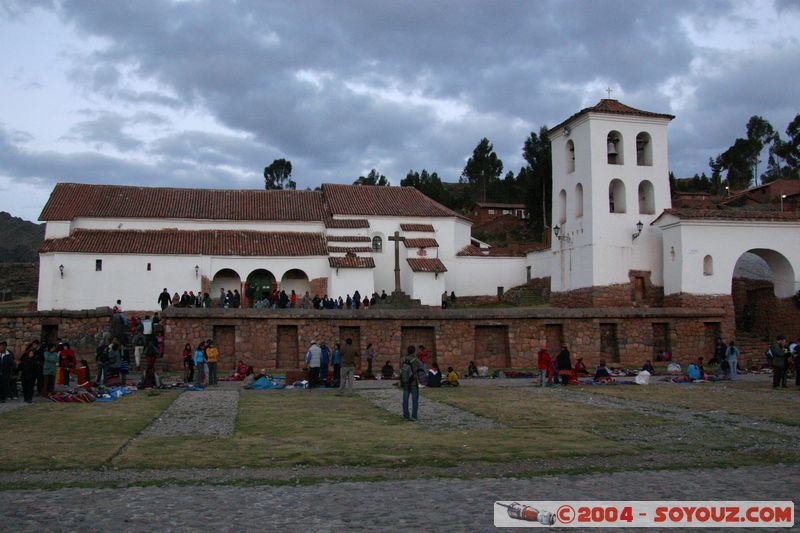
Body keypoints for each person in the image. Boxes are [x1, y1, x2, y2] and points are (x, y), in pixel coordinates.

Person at [399, 345, 421, 421]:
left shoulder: (402, 359)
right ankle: (414, 416)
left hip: (405, 382)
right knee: (415, 400)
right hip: (413, 382)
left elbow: (401, 370)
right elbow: (420, 370)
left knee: (405, 400)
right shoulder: (416, 360)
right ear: (414, 351)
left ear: (407, 351)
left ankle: (406, 415)